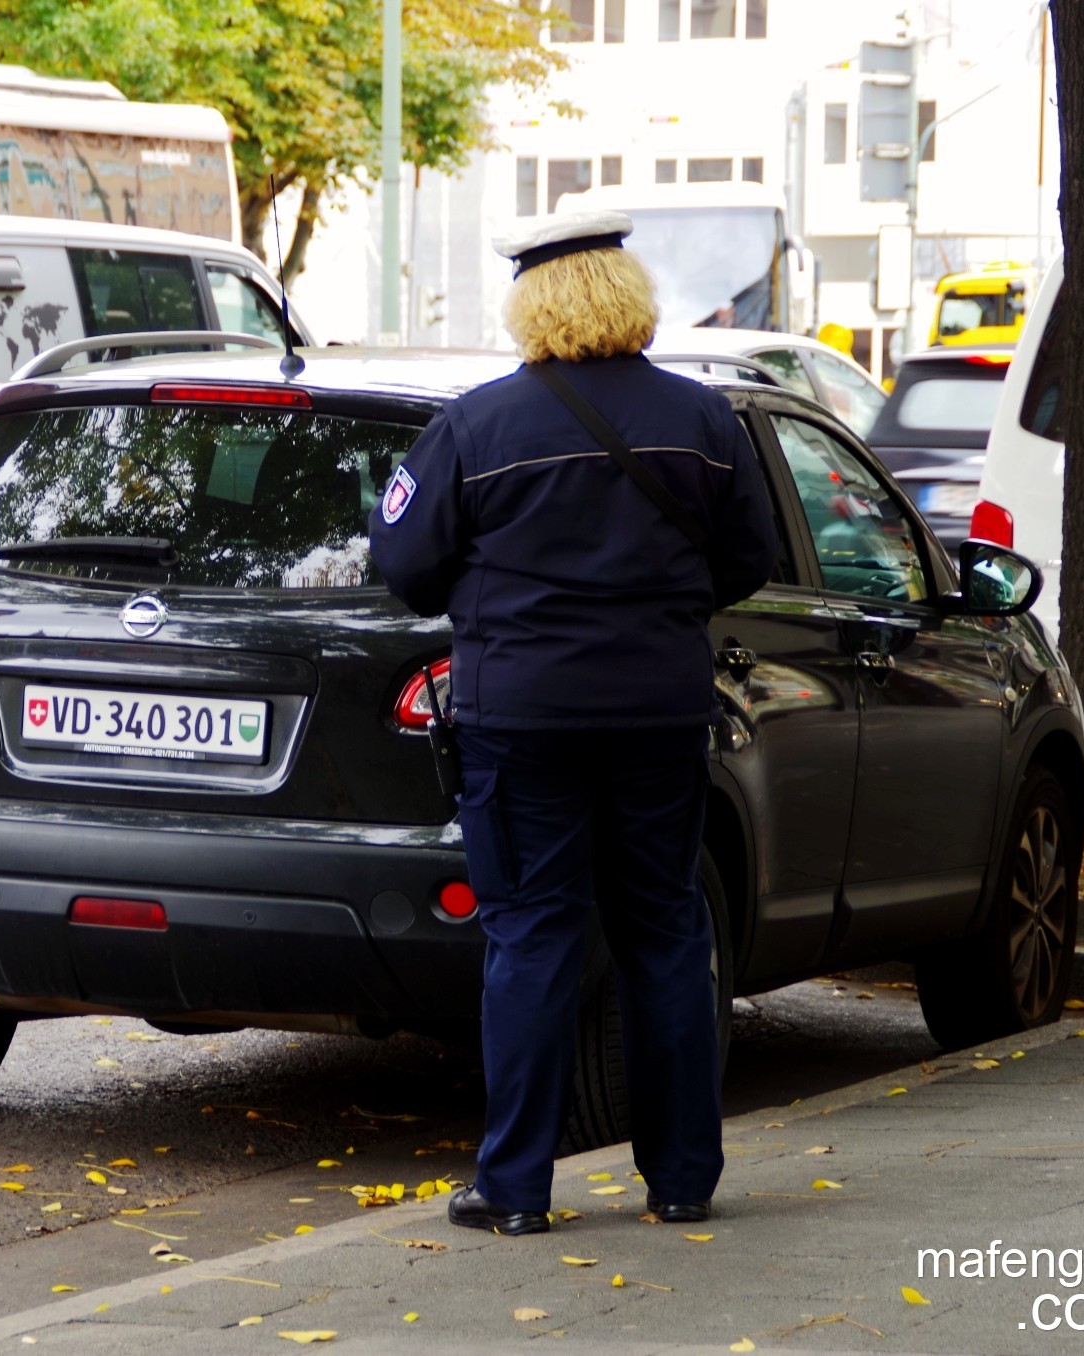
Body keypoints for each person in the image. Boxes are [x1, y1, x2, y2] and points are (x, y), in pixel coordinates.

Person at [368, 210, 779, 1235]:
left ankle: (513, 1188)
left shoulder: (477, 427)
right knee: (667, 933)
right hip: (657, 712)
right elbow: (748, 559)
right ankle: (681, 1178)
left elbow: (403, 568)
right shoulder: (704, 422)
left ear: (531, 305)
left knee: (533, 937)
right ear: (627, 295)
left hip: (522, 720)